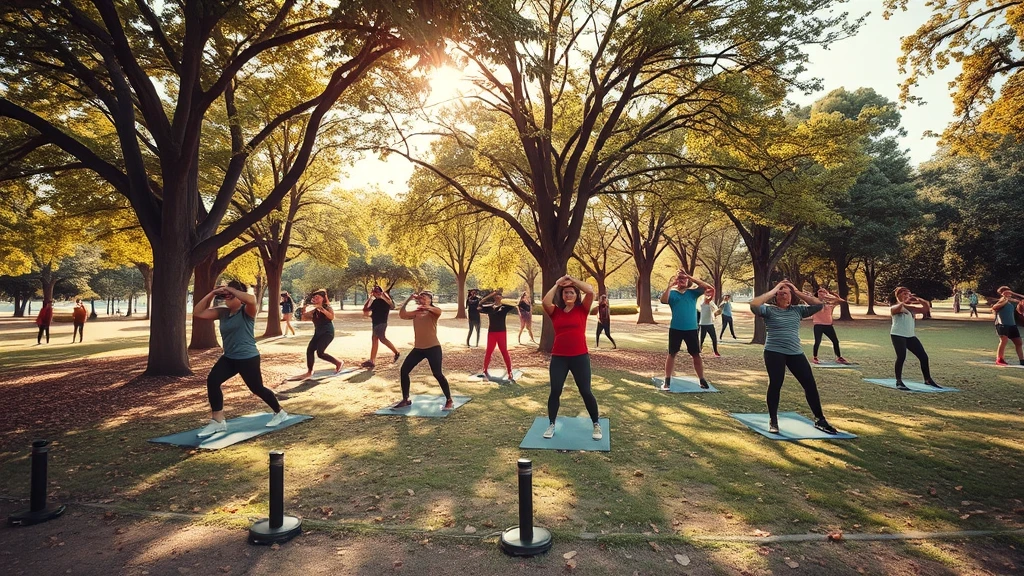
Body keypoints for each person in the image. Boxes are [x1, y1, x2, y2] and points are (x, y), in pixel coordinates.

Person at [193, 281, 288, 437]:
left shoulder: (247, 310)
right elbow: (198, 312)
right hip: (229, 357)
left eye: (232, 294)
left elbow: (251, 299)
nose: (228, 297)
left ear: (239, 295)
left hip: (248, 357)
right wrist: (212, 293)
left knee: (256, 388)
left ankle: (280, 412)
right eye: (226, 296)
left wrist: (230, 289)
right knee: (213, 380)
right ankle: (218, 421)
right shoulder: (222, 312)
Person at [750, 280, 838, 435]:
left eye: (786, 291)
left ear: (791, 297)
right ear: (776, 296)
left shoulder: (798, 310)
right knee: (776, 384)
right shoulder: (769, 310)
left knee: (809, 384)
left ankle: (820, 419)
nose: (782, 292)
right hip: (774, 352)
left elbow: (818, 305)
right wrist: (774, 288)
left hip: (795, 352)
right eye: (780, 291)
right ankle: (773, 420)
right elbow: (754, 305)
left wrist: (797, 291)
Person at [541, 275, 602, 440]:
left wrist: (573, 281)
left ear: (576, 296)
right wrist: (557, 283)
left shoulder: (582, 309)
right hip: (559, 358)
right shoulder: (556, 312)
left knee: (586, 391)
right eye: (566, 293)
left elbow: (590, 291)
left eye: (572, 293)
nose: (569, 295)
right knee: (555, 391)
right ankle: (551, 424)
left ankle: (596, 424)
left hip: (580, 357)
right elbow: (545, 302)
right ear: (562, 295)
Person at [393, 291, 455, 410]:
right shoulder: (416, 313)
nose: (422, 298)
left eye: (425, 297)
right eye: (421, 297)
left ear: (430, 299)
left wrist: (426, 305)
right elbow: (402, 314)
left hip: (433, 348)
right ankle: (405, 399)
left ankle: (449, 400)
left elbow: (438, 311)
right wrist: (409, 299)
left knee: (437, 374)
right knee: (404, 370)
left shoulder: (434, 311)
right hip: (418, 349)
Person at [660, 270, 714, 390]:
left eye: (684, 279)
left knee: (696, 355)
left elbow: (708, 287)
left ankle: (702, 379)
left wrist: (690, 277)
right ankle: (667, 380)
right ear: (676, 281)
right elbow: (663, 300)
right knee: (671, 354)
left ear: (687, 280)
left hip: (691, 329)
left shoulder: (693, 293)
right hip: (676, 329)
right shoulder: (672, 294)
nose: (682, 280)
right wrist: (670, 286)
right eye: (679, 279)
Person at [890, 286, 941, 390]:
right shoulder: (894, 307)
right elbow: (900, 307)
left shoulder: (910, 309)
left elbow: (926, 308)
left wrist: (917, 299)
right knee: (901, 357)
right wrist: (904, 300)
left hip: (910, 336)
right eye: (904, 294)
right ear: (898, 295)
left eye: (908, 294)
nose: (907, 296)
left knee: (923, 357)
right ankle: (899, 382)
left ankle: (927, 380)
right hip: (898, 335)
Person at [288, 289, 343, 380]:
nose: (315, 298)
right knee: (310, 350)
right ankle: (309, 372)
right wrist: (303, 308)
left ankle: (338, 363)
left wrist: (321, 309)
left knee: (320, 353)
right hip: (318, 333)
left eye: (317, 296)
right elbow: (303, 318)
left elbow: (331, 317)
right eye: (314, 297)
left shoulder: (327, 307)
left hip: (327, 333)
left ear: (322, 298)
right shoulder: (314, 310)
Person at [478, 289, 518, 381]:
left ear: (501, 297)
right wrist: (491, 294)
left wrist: (505, 299)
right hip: (492, 333)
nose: (497, 296)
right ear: (494, 297)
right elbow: (479, 304)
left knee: (504, 352)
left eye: (499, 295)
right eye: (496, 295)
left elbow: (516, 303)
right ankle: (485, 369)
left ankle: (509, 371)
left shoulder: (505, 307)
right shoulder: (489, 307)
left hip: (501, 332)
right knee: (489, 352)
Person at [362, 285, 400, 369]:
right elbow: (365, 310)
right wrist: (370, 298)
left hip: (382, 323)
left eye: (378, 291)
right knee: (375, 339)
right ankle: (372, 360)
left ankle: (396, 352)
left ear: (381, 291)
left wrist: (383, 296)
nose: (376, 293)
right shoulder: (375, 301)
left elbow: (392, 306)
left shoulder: (386, 301)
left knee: (382, 338)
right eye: (374, 291)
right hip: (375, 323)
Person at [811, 288, 851, 364]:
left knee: (835, 341)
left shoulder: (830, 303)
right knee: (817, 341)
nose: (822, 292)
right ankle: (815, 357)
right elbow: (807, 300)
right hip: (818, 325)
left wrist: (833, 297)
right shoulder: (814, 302)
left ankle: (839, 357)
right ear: (818, 294)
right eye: (820, 291)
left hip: (828, 325)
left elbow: (842, 301)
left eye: (824, 291)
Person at [992, 286, 1024, 366]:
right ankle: (999, 359)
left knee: (1019, 342)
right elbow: (994, 307)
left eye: (1010, 292)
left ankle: (1022, 360)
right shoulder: (1001, 301)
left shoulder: (1012, 302)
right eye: (1007, 292)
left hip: (1012, 325)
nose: (1009, 293)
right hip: (1002, 325)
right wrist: (1004, 299)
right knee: (1004, 341)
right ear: (1002, 293)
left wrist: (1014, 293)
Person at [698, 290, 720, 357]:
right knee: (702, 339)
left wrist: (717, 313)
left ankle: (715, 351)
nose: (708, 296)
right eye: (707, 294)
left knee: (714, 338)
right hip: (703, 324)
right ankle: (699, 351)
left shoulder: (710, 303)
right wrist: (712, 291)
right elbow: (708, 299)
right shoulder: (703, 302)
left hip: (710, 323)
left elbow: (716, 310)